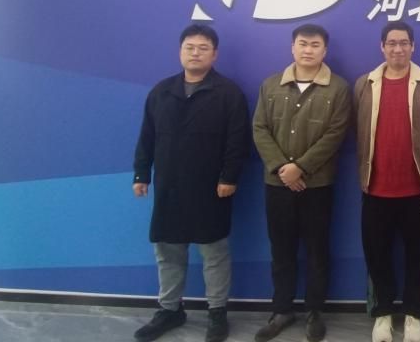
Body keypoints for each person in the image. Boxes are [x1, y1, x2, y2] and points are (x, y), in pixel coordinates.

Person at [132, 24, 251, 342]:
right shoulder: (161, 91)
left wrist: (229, 177)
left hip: (211, 188)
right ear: (180, 51)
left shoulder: (228, 93)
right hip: (169, 186)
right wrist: (141, 174)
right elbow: (147, 137)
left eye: (203, 48)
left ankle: (217, 312)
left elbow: (238, 141)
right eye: (190, 47)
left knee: (214, 252)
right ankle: (170, 309)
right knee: (168, 251)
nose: (195, 53)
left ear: (215, 54)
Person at [253, 24, 351, 342]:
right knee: (281, 250)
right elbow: (260, 128)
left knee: (317, 250)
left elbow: (335, 133)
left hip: (317, 185)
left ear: (325, 50)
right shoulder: (271, 85)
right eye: (303, 44)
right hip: (277, 183)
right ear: (292, 47)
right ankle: (282, 310)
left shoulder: (338, 88)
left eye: (315, 45)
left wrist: (302, 168)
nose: (308, 50)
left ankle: (314, 311)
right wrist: (283, 167)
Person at [354, 21, 420, 342]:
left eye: (404, 43)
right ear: (382, 46)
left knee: (417, 257)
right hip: (375, 189)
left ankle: (414, 314)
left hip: (417, 190)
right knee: (377, 255)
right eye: (391, 43)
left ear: (413, 46)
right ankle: (383, 313)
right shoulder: (364, 84)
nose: (398, 49)